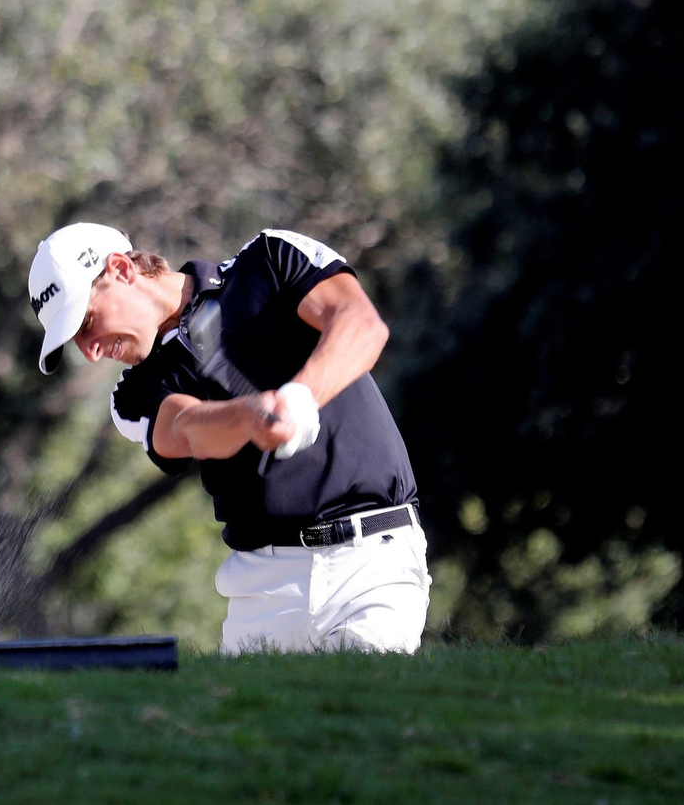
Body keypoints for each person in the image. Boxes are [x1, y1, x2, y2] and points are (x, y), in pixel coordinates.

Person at [27, 222, 430, 653]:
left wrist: (301, 397)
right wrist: (252, 418)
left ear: (122, 269)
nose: (89, 352)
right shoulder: (132, 396)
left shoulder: (270, 259)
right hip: (262, 590)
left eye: (87, 322)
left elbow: (360, 324)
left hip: (369, 559)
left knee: (358, 711)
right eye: (76, 341)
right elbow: (184, 428)